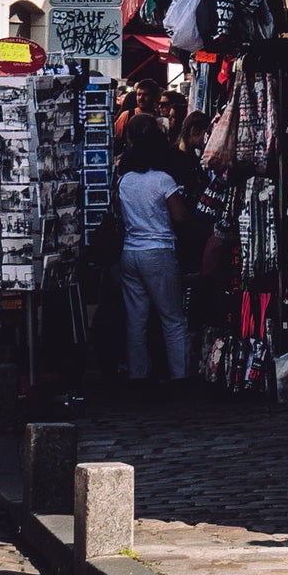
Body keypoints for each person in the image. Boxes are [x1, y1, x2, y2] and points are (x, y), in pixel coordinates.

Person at [113, 122, 194, 387]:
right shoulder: (163, 180)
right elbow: (180, 216)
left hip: (131, 251)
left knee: (136, 320)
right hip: (158, 251)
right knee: (172, 319)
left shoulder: (125, 180)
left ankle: (138, 376)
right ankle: (179, 376)